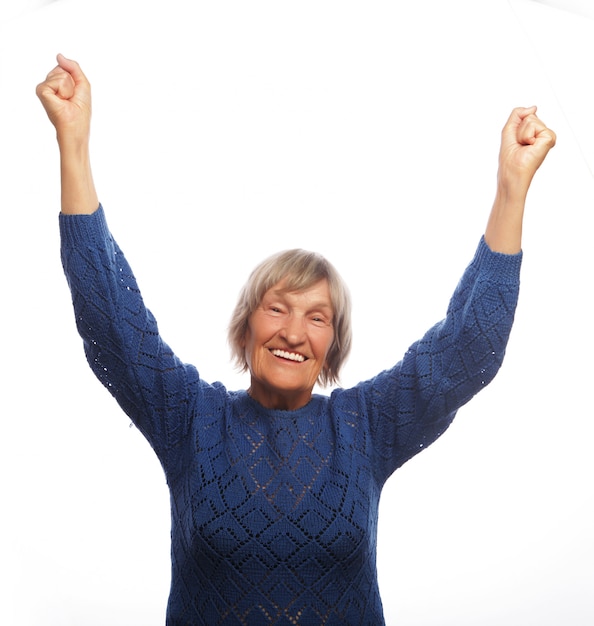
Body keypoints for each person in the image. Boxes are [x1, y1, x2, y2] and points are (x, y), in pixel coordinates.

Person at [37, 54, 555, 625]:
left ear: (333, 344)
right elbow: (110, 314)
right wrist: (74, 145)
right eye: (276, 307)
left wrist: (512, 189)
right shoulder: (191, 416)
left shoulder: (365, 425)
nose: (291, 331)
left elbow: (466, 348)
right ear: (246, 327)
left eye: (317, 317)